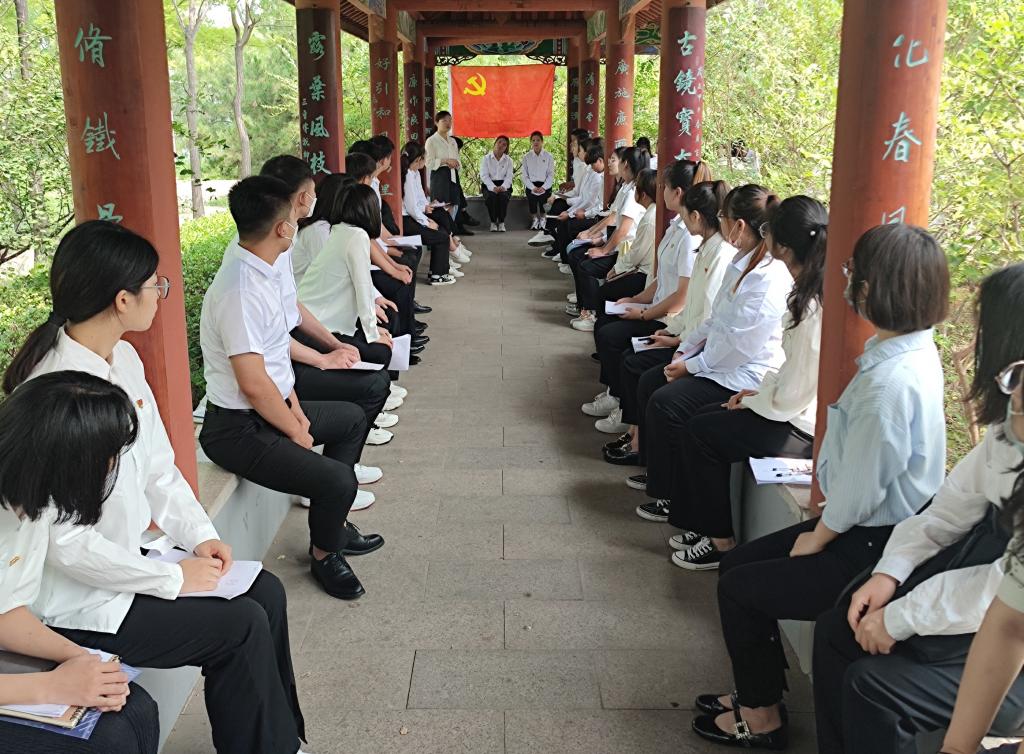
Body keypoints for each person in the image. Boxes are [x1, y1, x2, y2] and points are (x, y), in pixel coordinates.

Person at [2, 220, 310, 754]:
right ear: (122, 299)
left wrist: (199, 537)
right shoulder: (55, 396)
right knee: (238, 625)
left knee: (264, 591)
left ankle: (280, 738)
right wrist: (170, 578)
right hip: (80, 597)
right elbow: (66, 542)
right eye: (155, 284)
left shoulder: (123, 358)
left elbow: (158, 468)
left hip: (127, 563)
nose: (162, 293)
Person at [691, 223, 951, 750]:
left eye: (854, 273)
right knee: (738, 568)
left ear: (874, 288)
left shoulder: (889, 384)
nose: (848, 282)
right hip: (867, 529)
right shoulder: (910, 353)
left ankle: (761, 718)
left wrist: (819, 536)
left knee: (740, 589)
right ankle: (759, 694)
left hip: (869, 543)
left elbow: (860, 490)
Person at [812, 263, 1024, 754]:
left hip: (1004, 634)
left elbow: (1004, 602)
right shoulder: (1007, 430)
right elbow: (946, 512)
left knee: (877, 688)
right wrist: (889, 574)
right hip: (985, 614)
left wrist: (902, 618)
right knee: (837, 629)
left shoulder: (895, 379)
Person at [199, 176, 384, 602]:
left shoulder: (263, 267)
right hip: (236, 430)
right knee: (338, 480)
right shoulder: (239, 290)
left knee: (351, 419)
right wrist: (295, 429)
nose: (299, 223)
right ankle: (325, 554)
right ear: (283, 228)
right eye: (294, 219)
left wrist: (297, 411)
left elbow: (276, 362)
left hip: (271, 407)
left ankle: (332, 527)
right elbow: (253, 384)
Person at [0, 372, 159, 754]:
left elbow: (6, 610)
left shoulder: (31, 503)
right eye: (109, 455)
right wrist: (50, 687)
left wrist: (84, 661)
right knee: (106, 740)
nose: (113, 467)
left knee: (135, 707)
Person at [668, 196, 827, 569]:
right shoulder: (808, 287)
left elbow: (796, 389)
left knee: (702, 432)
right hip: (786, 403)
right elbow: (793, 374)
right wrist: (758, 395)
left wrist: (755, 399)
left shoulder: (810, 302)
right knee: (705, 416)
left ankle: (720, 542)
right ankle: (703, 524)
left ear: (781, 246)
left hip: (802, 425)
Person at [629, 185, 792, 526]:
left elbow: (737, 347)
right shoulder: (741, 262)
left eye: (724, 217)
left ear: (739, 226)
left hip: (743, 373)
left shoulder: (767, 278)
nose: (721, 223)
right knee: (652, 381)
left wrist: (691, 366)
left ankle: (671, 494)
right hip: (719, 362)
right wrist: (684, 351)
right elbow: (715, 320)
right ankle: (661, 477)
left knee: (666, 402)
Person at [260, 154, 396, 467]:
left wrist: (334, 346)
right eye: (313, 192)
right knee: (373, 380)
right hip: (274, 376)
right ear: (303, 197)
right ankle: (338, 474)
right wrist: (322, 358)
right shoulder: (266, 253)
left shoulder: (285, 240)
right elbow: (265, 345)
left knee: (368, 375)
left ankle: (339, 473)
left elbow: (292, 309)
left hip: (290, 354)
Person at [607, 179, 733, 477]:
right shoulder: (707, 247)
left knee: (647, 376)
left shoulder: (721, 253)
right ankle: (637, 438)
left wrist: (679, 345)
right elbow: (695, 309)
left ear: (696, 216)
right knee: (633, 359)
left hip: (706, 356)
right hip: (691, 341)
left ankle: (645, 452)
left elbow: (708, 315)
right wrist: (672, 333)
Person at [584, 161, 709, 439]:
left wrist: (642, 314)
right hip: (658, 309)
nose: (659, 192)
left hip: (668, 318)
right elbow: (661, 281)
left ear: (677, 193)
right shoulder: (677, 226)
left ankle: (623, 408)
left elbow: (681, 297)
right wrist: (635, 300)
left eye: (664, 187)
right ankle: (615, 394)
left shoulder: (691, 238)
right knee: (607, 324)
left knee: (615, 340)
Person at [298, 183, 394, 366]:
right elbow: (363, 287)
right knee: (381, 351)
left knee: (385, 332)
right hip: (317, 325)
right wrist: (372, 334)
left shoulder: (341, 229)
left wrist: (372, 330)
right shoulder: (357, 236)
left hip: (313, 320)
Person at [568, 146, 649, 332]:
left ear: (625, 164)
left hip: (625, 252)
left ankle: (591, 313)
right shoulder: (626, 187)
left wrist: (603, 250)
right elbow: (613, 219)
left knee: (586, 266)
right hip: (617, 245)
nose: (610, 163)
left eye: (614, 159)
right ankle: (584, 307)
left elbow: (623, 230)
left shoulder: (633, 192)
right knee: (577, 255)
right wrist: (593, 234)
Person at [401, 141, 470, 286]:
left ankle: (446, 261)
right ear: (418, 159)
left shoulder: (414, 173)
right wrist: (426, 222)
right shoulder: (407, 175)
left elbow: (419, 198)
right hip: (407, 219)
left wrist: (428, 205)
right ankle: (439, 274)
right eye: (424, 158)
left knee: (441, 216)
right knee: (440, 235)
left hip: (416, 214)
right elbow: (412, 208)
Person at [424, 111, 464, 216]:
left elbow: (458, 160)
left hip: (453, 175)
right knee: (440, 206)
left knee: (453, 205)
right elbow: (428, 162)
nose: (448, 123)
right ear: (436, 122)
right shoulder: (431, 141)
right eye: (444, 120)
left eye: (450, 120)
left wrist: (456, 163)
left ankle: (450, 226)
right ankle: (443, 226)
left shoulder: (453, 141)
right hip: (439, 176)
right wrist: (445, 161)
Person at [522, 130, 555, 231]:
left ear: (542, 141)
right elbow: (524, 175)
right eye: (533, 140)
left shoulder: (548, 156)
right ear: (531, 142)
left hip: (545, 185)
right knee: (532, 203)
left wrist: (544, 187)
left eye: (538, 140)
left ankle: (543, 219)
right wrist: (532, 187)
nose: (535, 142)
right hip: (531, 185)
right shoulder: (526, 157)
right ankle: (535, 220)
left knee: (544, 204)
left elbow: (550, 174)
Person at [480, 135, 513, 232]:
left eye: (504, 144)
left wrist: (503, 187)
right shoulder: (486, 159)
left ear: (506, 148)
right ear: (495, 143)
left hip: (504, 185)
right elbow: (484, 175)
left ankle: (502, 222)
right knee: (491, 197)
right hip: (489, 184)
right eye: (499, 142)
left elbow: (509, 177)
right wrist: (493, 187)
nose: (501, 145)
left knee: (503, 197)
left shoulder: (509, 160)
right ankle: (493, 222)